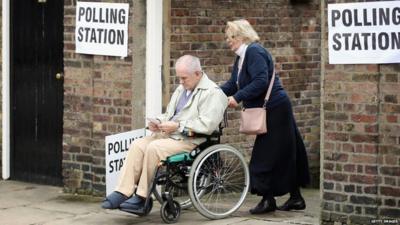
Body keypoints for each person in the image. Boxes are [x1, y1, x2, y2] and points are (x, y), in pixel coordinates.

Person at [102, 55, 228, 211]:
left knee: (154, 148)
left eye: (184, 78)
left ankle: (142, 197)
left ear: (197, 73)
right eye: (179, 78)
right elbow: (170, 115)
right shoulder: (183, 89)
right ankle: (123, 191)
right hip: (171, 135)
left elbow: (207, 125)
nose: (180, 82)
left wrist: (177, 126)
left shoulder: (213, 93)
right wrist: (158, 122)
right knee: (138, 145)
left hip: (192, 141)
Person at [220, 19, 310, 214]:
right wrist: (213, 92)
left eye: (231, 37)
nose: (228, 41)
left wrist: (237, 97)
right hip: (273, 108)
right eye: (227, 37)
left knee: (264, 157)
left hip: (275, 109)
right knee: (287, 152)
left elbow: (261, 81)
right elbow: (233, 83)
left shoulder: (254, 52)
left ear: (243, 36)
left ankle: (268, 200)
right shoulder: (241, 57)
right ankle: (296, 198)